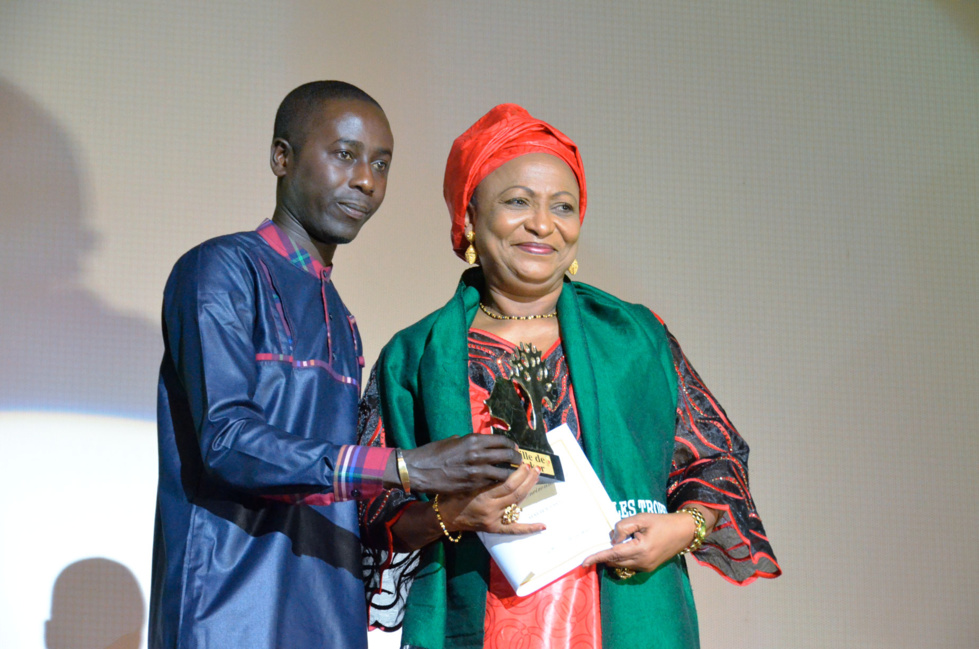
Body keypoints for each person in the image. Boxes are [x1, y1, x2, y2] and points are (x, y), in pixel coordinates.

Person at [357, 104, 782, 649]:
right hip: (477, 621)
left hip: (624, 613)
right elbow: (368, 510)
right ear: (467, 217)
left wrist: (681, 530)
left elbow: (716, 459)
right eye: (517, 202)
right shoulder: (413, 358)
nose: (543, 224)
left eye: (564, 206)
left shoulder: (634, 339)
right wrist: (453, 514)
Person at [150, 82, 524, 649]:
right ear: (282, 157)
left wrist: (454, 511)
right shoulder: (220, 270)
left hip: (327, 613)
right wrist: (405, 466)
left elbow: (350, 490)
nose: (367, 182)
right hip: (228, 610)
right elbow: (227, 441)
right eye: (345, 155)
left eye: (381, 164)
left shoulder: (341, 317)